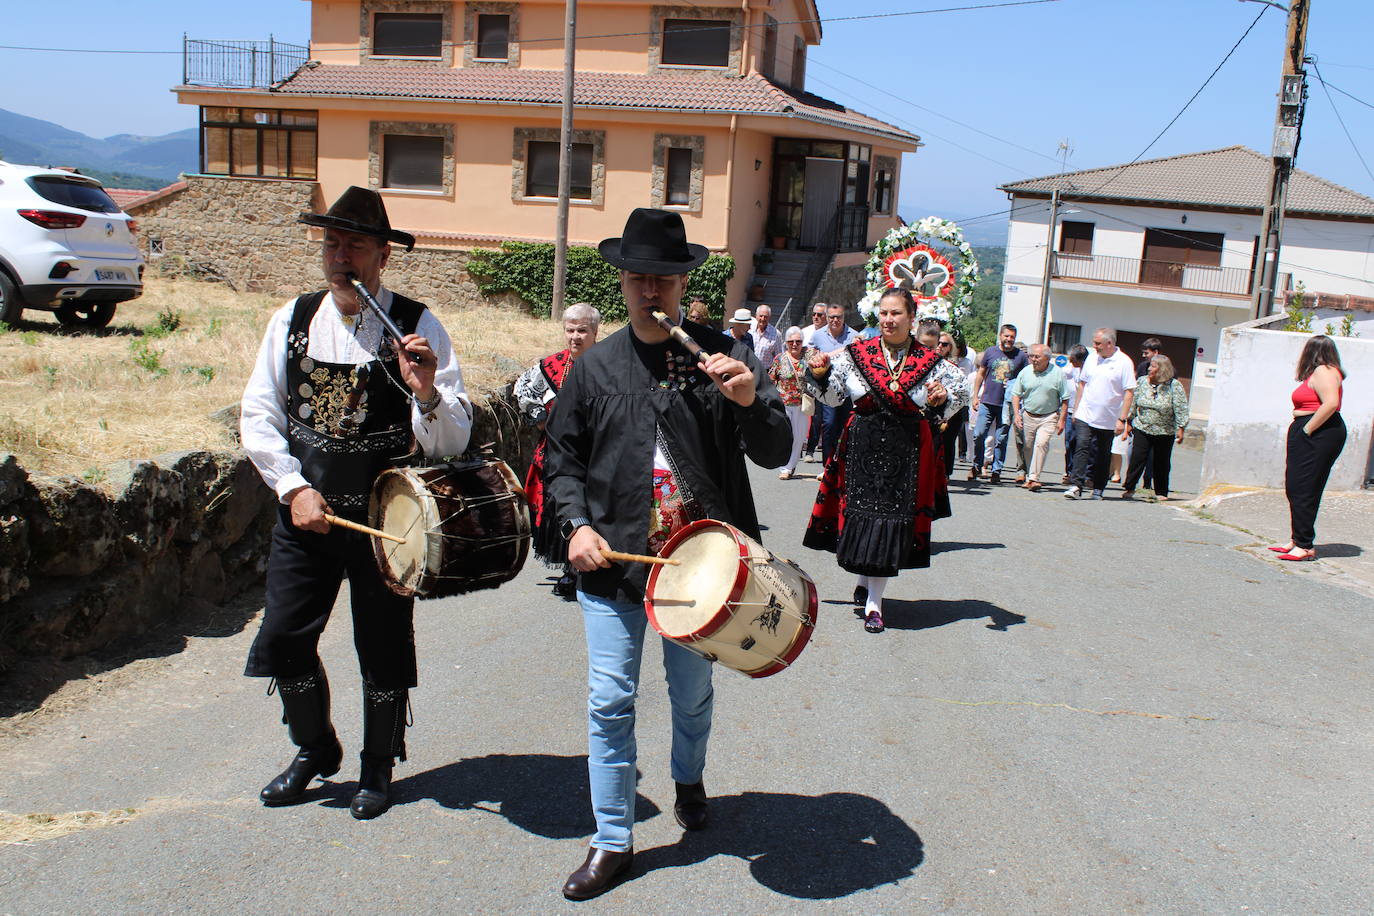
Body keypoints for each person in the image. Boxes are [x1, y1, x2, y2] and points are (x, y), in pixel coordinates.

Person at [544, 208, 791, 900]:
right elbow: (562, 461)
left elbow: (775, 449)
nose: (650, 290)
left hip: (701, 568)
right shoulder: (593, 367)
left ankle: (688, 778)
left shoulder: (722, 356)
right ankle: (612, 839)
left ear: (683, 284)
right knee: (609, 701)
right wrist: (575, 526)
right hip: (613, 565)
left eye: (663, 279)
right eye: (638, 278)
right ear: (622, 281)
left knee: (691, 694)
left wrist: (750, 402)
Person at [239, 186, 473, 820]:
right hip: (307, 512)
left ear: (383, 257)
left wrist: (426, 392)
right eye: (333, 244)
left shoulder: (419, 325)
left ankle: (378, 763)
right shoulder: (292, 319)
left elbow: (452, 440)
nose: (341, 257)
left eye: (357, 246)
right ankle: (314, 747)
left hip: (386, 519)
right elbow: (259, 414)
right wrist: (293, 488)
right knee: (285, 636)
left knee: (383, 641)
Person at [802, 288, 969, 633]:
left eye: (896, 313)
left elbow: (961, 392)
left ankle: (874, 604)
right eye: (884, 313)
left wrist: (941, 398)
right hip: (861, 447)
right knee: (863, 515)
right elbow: (833, 396)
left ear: (912, 318)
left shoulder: (931, 362)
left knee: (889, 520)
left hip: (904, 452)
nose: (889, 320)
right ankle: (865, 579)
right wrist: (819, 374)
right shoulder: (856, 354)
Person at [515, 302, 602, 598]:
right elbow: (523, 391)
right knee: (559, 506)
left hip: (596, 452)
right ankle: (570, 568)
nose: (575, 336)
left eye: (582, 331)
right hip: (554, 452)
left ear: (595, 332)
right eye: (570, 330)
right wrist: (541, 419)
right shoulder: (551, 365)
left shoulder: (607, 364)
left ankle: (585, 568)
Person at [1271, 335, 1347, 561]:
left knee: (1304, 487)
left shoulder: (1325, 370)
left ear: (1312, 351)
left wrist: (1307, 430)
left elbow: (1331, 403)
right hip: (1312, 430)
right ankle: (1297, 539)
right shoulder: (1319, 372)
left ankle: (1304, 545)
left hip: (1319, 432)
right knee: (1296, 486)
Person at [1065, 328, 1135, 500]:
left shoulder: (1124, 362)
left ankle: (1098, 487)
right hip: (1086, 413)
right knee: (1082, 446)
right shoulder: (1091, 358)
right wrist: (1077, 409)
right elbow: (1082, 384)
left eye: (1097, 343)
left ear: (1109, 343)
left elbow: (1129, 393)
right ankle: (1076, 485)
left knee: (1102, 453)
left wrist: (1122, 419)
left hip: (1108, 418)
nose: (1094, 346)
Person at [1120, 354, 1188, 501]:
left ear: (1162, 369)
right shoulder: (1142, 382)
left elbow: (1181, 407)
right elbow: (1133, 402)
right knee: (1137, 458)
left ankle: (1161, 491)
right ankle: (1130, 487)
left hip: (1165, 430)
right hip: (1143, 427)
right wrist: (1129, 422)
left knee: (1162, 461)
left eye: (1153, 366)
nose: (1149, 369)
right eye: (1150, 366)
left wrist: (1181, 428)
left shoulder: (1174, 385)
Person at [969, 324, 1029, 484]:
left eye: (1012, 337)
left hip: (1007, 404)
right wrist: (975, 396)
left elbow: (1025, 379)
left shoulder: (1020, 357)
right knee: (978, 434)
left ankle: (996, 471)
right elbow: (981, 374)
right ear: (1000, 336)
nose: (1009, 339)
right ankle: (976, 465)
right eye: (1006, 336)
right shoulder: (990, 352)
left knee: (1001, 439)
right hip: (988, 401)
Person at [1010, 343, 1070, 492]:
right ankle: (1030, 475)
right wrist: (1017, 414)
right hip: (1029, 415)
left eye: (1037, 356)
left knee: (1041, 443)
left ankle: (1034, 478)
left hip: (1049, 416)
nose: (1033, 359)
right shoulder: (1025, 372)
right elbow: (1016, 394)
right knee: (1028, 447)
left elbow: (1065, 398)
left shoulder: (1057, 373)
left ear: (1047, 358)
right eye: (1031, 356)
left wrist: (1061, 420)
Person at [810, 302, 860, 465]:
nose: (835, 320)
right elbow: (810, 357)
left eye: (838, 317)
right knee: (829, 425)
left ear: (844, 318)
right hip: (827, 389)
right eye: (832, 317)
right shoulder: (818, 336)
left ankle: (842, 465)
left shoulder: (854, 336)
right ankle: (827, 464)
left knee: (845, 426)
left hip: (847, 390)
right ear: (827, 317)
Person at [769, 326, 809, 479]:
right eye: (791, 341)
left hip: (802, 404)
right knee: (786, 436)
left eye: (798, 341)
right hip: (783, 403)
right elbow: (771, 379)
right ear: (786, 343)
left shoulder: (808, 356)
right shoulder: (779, 359)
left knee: (798, 437)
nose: (795, 344)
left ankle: (790, 466)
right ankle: (785, 468)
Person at [939, 330, 975, 475]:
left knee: (948, 442)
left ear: (950, 347)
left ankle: (945, 474)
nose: (940, 346)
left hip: (952, 409)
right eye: (938, 343)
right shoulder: (924, 362)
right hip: (930, 410)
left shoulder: (955, 367)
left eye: (944, 344)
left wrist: (948, 411)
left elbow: (963, 392)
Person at [801, 303, 829, 459]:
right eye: (814, 314)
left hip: (826, 381)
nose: (816, 317)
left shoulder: (830, 333)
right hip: (809, 379)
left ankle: (814, 450)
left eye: (820, 315)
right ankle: (804, 448)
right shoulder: (805, 332)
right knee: (808, 414)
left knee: (821, 418)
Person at [1061, 344, 1088, 484]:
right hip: (1071, 411)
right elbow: (1061, 373)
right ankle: (1070, 472)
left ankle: (1084, 475)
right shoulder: (1072, 369)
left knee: (1083, 444)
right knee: (1069, 443)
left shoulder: (1090, 370)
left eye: (1072, 359)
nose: (1070, 362)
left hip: (1086, 413)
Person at [750, 303, 783, 369]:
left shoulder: (776, 334)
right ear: (756, 316)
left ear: (769, 317)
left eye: (765, 317)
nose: (762, 319)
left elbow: (779, 356)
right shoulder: (749, 329)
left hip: (765, 370)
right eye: (761, 316)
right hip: (748, 369)